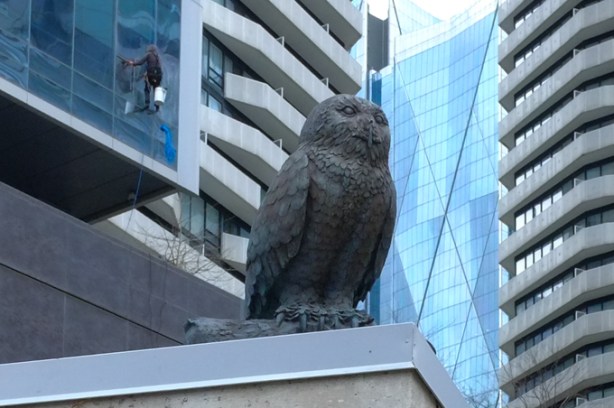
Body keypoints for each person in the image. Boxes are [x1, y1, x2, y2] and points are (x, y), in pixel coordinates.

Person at [124, 44, 163, 111]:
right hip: (158, 75)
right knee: (156, 90)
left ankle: (147, 105)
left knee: (147, 89)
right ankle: (157, 107)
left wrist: (132, 63)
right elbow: (159, 67)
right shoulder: (157, 57)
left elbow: (140, 62)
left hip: (151, 74)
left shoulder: (148, 55)